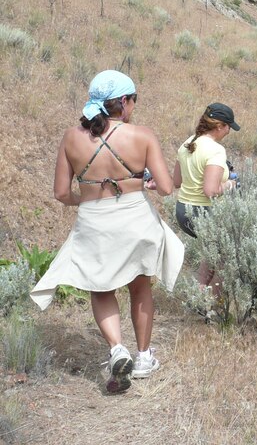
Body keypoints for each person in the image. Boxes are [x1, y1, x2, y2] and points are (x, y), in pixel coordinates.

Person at [30, 70, 184, 394]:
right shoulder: (141, 135)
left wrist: (86, 198)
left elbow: (60, 193)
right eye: (133, 102)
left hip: (95, 222)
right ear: (124, 102)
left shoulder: (72, 137)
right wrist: (148, 184)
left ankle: (117, 349)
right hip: (136, 217)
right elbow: (167, 188)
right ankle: (143, 357)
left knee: (101, 289)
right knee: (140, 286)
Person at [173, 103, 240, 292]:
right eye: (228, 127)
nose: (228, 131)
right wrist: (230, 185)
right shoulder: (215, 150)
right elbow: (210, 191)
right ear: (219, 126)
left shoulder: (187, 144)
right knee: (225, 261)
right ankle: (211, 309)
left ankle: (199, 297)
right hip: (203, 212)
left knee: (210, 254)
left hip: (182, 210)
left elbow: (177, 181)